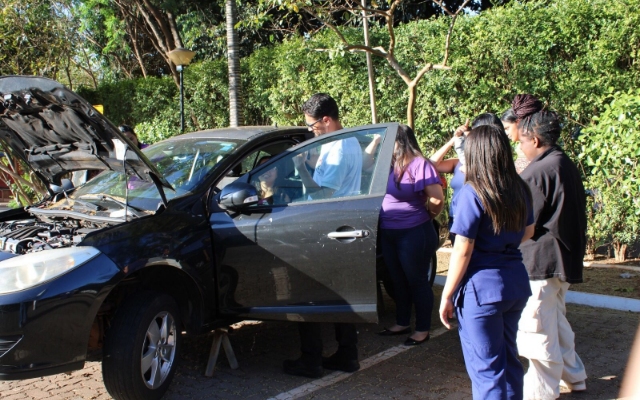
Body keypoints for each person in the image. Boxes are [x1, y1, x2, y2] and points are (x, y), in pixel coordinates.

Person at [439, 124, 535, 399]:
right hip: (515, 283)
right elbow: (529, 231)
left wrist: (447, 295)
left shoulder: (472, 192)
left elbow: (463, 250)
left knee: (487, 372)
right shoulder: (520, 188)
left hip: (481, 289)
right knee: (510, 361)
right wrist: (502, 242)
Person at [512, 94, 588, 399]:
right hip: (560, 260)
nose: (520, 147)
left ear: (535, 139)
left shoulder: (537, 172)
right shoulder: (562, 162)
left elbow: (524, 225)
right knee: (555, 322)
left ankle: (542, 392)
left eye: (522, 141)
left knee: (537, 331)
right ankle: (575, 376)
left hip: (540, 263)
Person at [283, 93, 361, 378]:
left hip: (327, 226)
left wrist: (300, 168)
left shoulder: (338, 149)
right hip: (341, 224)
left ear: (326, 120)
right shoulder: (347, 141)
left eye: (312, 125)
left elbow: (322, 194)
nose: (311, 130)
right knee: (341, 296)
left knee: (308, 293)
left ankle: (311, 359)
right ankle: (347, 354)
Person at [376, 124, 444, 345]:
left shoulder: (420, 164)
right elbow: (366, 164)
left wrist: (428, 215)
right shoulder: (388, 165)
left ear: (400, 141)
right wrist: (375, 142)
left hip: (414, 233)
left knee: (417, 281)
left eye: (388, 140)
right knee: (397, 280)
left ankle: (422, 329)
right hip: (389, 232)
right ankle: (402, 322)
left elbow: (437, 198)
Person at [430, 113, 503, 243]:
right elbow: (431, 164)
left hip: (481, 221)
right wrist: (452, 140)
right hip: (456, 220)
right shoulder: (457, 163)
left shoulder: (495, 166)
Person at [501, 108, 530, 173]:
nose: (506, 133)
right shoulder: (520, 146)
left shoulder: (530, 145)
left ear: (517, 123)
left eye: (507, 128)